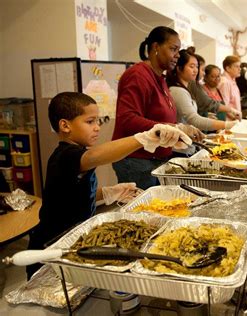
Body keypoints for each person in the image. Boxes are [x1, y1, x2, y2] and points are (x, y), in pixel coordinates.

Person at [26, 92, 191, 279]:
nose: (97, 128)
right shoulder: (65, 155)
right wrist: (144, 138)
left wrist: (108, 193)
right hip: (50, 246)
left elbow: (71, 195)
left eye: (98, 121)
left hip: (74, 239)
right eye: (90, 122)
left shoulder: (77, 154)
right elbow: (94, 156)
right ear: (65, 125)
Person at [111, 26, 204, 189]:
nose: (177, 55)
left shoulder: (160, 76)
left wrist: (179, 132)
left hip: (156, 158)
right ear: (155, 47)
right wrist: (175, 127)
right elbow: (128, 119)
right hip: (137, 159)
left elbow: (159, 116)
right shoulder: (137, 75)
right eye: (173, 49)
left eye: (178, 50)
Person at [167, 49, 237, 132]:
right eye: (191, 66)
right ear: (179, 68)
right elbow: (194, 120)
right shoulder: (178, 91)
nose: (196, 70)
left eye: (197, 67)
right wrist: (226, 125)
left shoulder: (186, 88)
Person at [187, 49, 240, 120]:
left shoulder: (219, 87)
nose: (239, 69)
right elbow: (208, 104)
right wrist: (231, 110)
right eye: (213, 76)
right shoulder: (196, 86)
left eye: (218, 76)